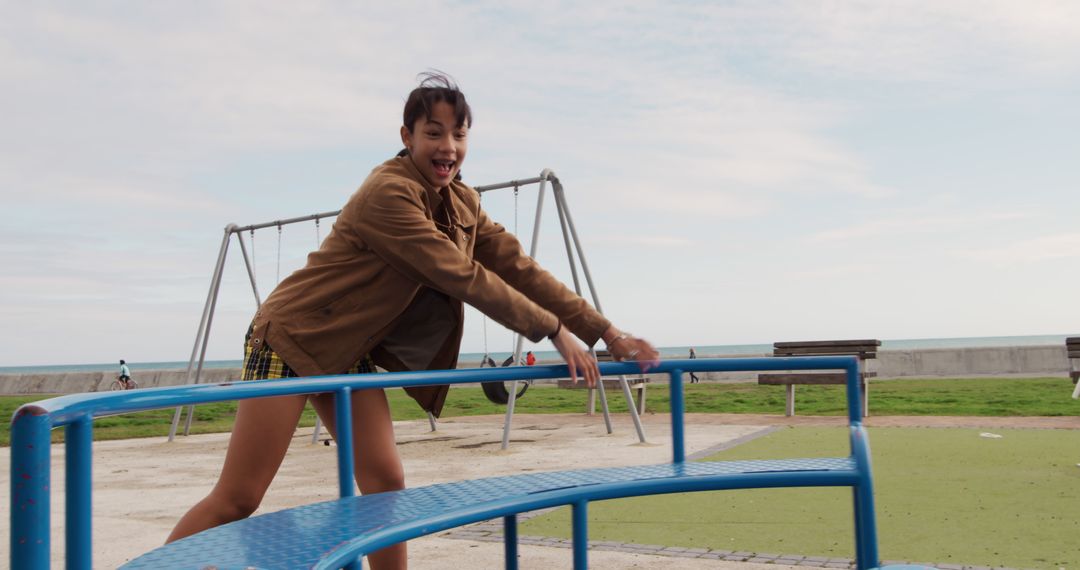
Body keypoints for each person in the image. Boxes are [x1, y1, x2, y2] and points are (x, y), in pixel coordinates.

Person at [165, 72, 659, 569]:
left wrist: (608, 334)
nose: (448, 147)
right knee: (239, 498)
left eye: (459, 134)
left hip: (348, 351)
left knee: (385, 484)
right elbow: (459, 274)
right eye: (433, 132)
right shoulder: (388, 194)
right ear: (407, 137)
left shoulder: (462, 201)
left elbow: (518, 267)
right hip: (292, 339)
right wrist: (553, 330)